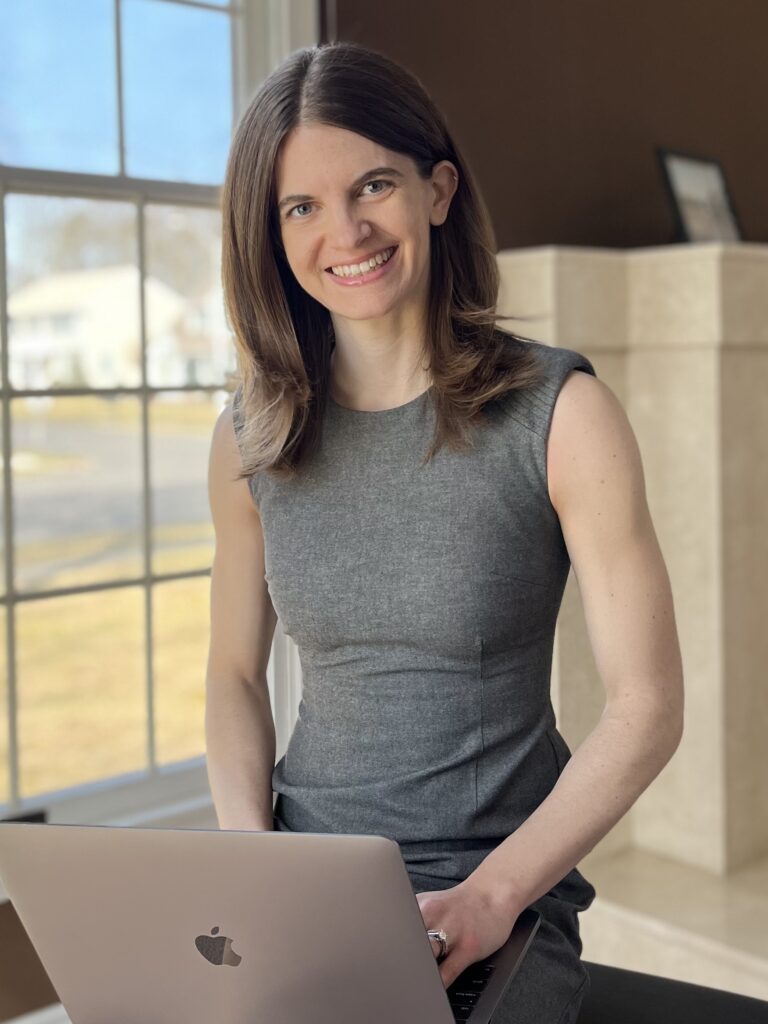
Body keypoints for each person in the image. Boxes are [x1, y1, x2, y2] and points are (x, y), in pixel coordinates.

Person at [205, 41, 684, 1024]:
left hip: (497, 896)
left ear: (437, 189)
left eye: (373, 184)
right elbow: (233, 676)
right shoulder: (250, 435)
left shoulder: (562, 413)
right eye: (301, 206)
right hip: (305, 885)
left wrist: (497, 894)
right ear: (269, 230)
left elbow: (648, 705)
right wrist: (247, 849)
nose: (345, 230)